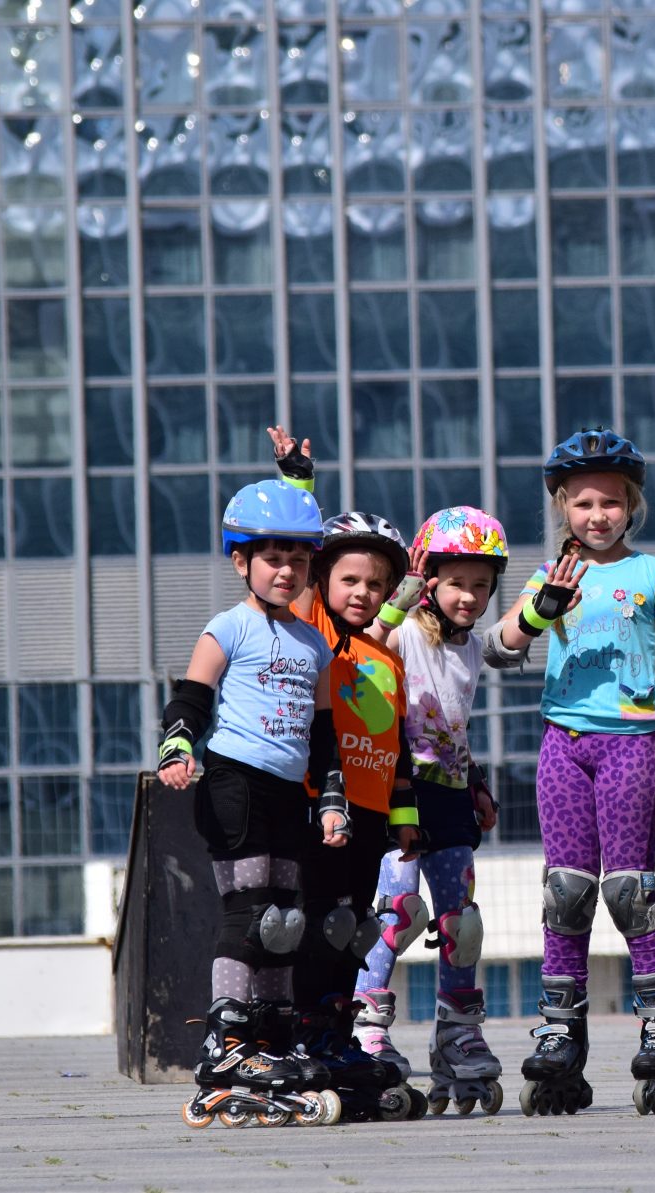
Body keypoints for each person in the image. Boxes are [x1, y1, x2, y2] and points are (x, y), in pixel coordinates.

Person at [491, 428, 655, 1117]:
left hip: (631, 745)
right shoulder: (552, 575)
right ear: (563, 508)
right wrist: (538, 610)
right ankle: (560, 1033)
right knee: (565, 892)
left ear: (632, 506)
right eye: (583, 503)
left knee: (630, 890)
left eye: (610, 502)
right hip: (563, 746)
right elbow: (498, 647)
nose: (597, 515)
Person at [157, 478, 348, 1128]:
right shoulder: (228, 627)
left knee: (285, 919)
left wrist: (332, 799)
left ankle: (272, 1035)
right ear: (241, 561)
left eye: (297, 559)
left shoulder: (313, 643)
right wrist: (177, 748)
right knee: (248, 912)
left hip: (286, 791)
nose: (286, 570)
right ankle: (228, 1042)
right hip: (233, 782)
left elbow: (324, 733)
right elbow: (191, 699)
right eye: (272, 558)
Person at [260, 427, 424, 1121]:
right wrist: (297, 483)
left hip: (372, 818)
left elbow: (400, 751)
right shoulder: (315, 634)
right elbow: (295, 579)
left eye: (376, 583)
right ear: (324, 582)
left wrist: (405, 823)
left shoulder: (387, 658)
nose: (363, 592)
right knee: (312, 925)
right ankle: (293, 1037)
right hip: (319, 810)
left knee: (354, 928)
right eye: (350, 580)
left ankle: (335, 1035)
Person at [350, 505, 519, 1116]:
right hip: (399, 791)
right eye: (456, 583)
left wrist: (476, 783)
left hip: (449, 794)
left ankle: (457, 1034)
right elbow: (365, 646)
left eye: (481, 585)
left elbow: (452, 724)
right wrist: (403, 595)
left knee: (460, 922)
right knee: (398, 912)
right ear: (430, 581)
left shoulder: (469, 650)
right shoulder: (404, 633)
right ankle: (365, 1026)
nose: (469, 597)